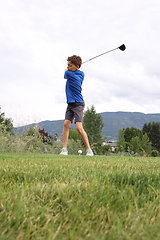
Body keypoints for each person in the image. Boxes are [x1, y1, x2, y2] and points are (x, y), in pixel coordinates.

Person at [60, 55, 94, 156]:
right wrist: (71, 68)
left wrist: (68, 70)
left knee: (79, 128)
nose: (68, 67)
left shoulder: (77, 75)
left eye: (70, 65)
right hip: (70, 103)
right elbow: (67, 73)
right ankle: (64, 149)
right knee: (66, 124)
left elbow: (65, 73)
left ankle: (89, 150)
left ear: (77, 67)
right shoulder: (74, 72)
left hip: (78, 104)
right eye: (68, 65)